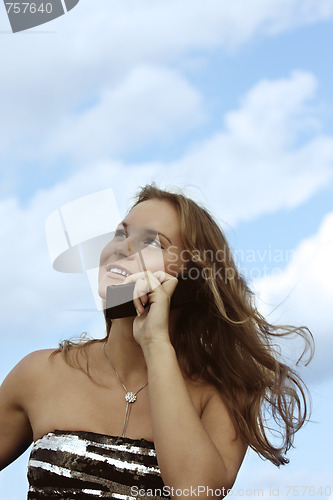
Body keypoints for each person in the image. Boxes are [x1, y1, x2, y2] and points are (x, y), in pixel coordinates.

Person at [0, 184, 313, 499]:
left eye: (151, 242)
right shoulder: (39, 374)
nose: (121, 248)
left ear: (193, 279)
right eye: (121, 234)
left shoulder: (224, 393)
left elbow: (194, 494)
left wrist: (155, 343)